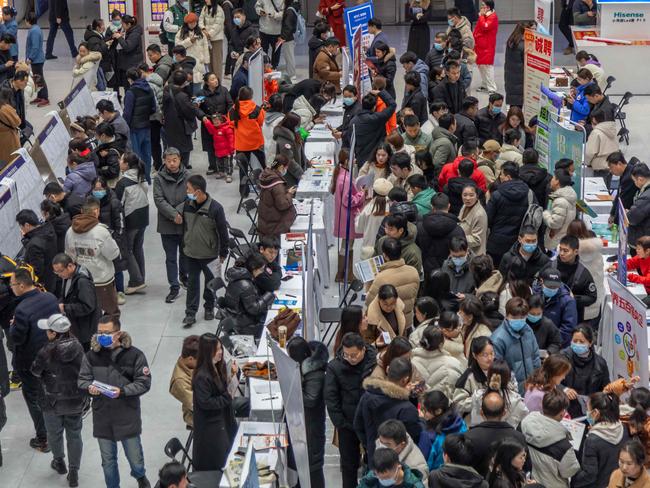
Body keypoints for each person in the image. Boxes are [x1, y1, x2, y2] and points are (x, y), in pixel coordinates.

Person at [78, 315, 151, 488]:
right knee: (108, 460)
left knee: (135, 456)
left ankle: (140, 477)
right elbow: (82, 380)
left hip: (127, 413)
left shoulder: (135, 355)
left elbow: (144, 382)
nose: (102, 336)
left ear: (118, 333)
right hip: (103, 415)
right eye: (99, 332)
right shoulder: (90, 356)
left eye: (107, 332)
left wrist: (123, 391)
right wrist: (89, 388)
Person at [30, 314, 85, 487]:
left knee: (54, 433)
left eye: (48, 330)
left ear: (54, 333)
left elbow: (35, 372)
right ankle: (74, 472)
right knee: (74, 435)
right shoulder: (78, 346)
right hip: (75, 401)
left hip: (51, 402)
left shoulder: (46, 351)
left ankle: (59, 462)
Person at [10, 268, 60, 452]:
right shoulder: (50, 298)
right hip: (51, 355)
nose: (12, 288)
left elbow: (16, 339)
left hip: (30, 362)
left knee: (33, 398)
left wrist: (13, 326)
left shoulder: (22, 310)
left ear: (22, 285)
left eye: (13, 284)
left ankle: (44, 438)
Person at [325, 332, 377, 488]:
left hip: (371, 422)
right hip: (347, 424)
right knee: (349, 465)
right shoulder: (335, 366)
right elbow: (331, 397)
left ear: (363, 350)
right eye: (346, 355)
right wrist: (340, 423)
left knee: (374, 462)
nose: (350, 358)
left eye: (354, 355)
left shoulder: (374, 363)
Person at [354, 356, 422, 469]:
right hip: (399, 462)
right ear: (405, 379)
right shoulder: (407, 408)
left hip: (374, 457)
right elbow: (414, 436)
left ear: (387, 369)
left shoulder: (368, 395)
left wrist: (370, 444)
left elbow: (358, 424)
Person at [181, 175, 229, 327]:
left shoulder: (215, 208)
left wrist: (223, 253)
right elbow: (185, 228)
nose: (186, 191)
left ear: (198, 191)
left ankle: (209, 307)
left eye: (188, 189)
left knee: (210, 283)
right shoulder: (187, 205)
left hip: (209, 254)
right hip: (191, 253)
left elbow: (223, 232)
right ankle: (190, 313)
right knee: (193, 283)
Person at [65, 197, 120, 318]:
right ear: (96, 211)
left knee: (88, 313)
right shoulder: (101, 231)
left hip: (81, 279)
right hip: (102, 279)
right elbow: (113, 254)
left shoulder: (70, 231)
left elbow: (69, 255)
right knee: (110, 314)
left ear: (81, 211)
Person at [190, 333, 237, 471]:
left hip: (223, 417)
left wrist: (233, 375)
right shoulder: (201, 377)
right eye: (217, 350)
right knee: (218, 458)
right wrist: (227, 397)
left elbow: (222, 388)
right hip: (211, 426)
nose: (220, 352)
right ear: (208, 352)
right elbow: (207, 402)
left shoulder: (217, 365)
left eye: (220, 348)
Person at [286, 338, 328, 488]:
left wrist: (289, 388)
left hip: (311, 429)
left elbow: (309, 400)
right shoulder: (307, 369)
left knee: (313, 469)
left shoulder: (315, 374)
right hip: (304, 426)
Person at [520, 388, 580, 488]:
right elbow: (569, 472)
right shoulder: (564, 446)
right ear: (562, 413)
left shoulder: (525, 424)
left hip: (533, 481)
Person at [153, 147, 190, 303]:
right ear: (164, 161)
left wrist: (179, 212)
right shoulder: (159, 178)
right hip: (167, 224)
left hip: (184, 221)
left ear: (180, 160)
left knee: (185, 253)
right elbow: (158, 200)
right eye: (169, 161)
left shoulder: (188, 176)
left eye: (175, 160)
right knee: (170, 257)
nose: (172, 164)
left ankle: (184, 275)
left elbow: (191, 196)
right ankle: (174, 286)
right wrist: (173, 214)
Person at [464, 391, 527, 478]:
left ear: (481, 413)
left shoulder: (468, 437)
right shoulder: (518, 437)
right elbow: (526, 467)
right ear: (504, 413)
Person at [572, 392, 629, 488]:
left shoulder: (592, 440)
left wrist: (571, 481)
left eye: (588, 409)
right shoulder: (623, 428)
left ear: (595, 413)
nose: (587, 412)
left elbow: (589, 474)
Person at [491, 297, 541, 394]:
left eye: (522, 317)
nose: (519, 320)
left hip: (531, 386)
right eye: (514, 317)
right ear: (506, 315)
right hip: (511, 390)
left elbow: (535, 356)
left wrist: (536, 379)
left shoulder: (527, 330)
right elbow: (497, 368)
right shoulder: (498, 339)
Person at [51, 253, 100, 351]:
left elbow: (88, 306)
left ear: (70, 266)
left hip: (87, 329)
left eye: (60, 271)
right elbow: (65, 295)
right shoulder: (67, 277)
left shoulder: (83, 282)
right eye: (56, 272)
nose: (59, 275)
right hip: (77, 325)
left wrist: (65, 308)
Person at [486, 163, 532, 266]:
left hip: (496, 243)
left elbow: (488, 219)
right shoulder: (529, 193)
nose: (500, 177)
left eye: (501, 174)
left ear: (508, 177)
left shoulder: (497, 195)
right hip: (518, 242)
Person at [115, 154, 148, 295]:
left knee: (127, 250)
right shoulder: (141, 176)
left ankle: (136, 281)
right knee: (138, 248)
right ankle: (141, 277)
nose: (119, 162)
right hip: (143, 215)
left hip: (131, 218)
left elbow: (117, 204)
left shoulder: (123, 182)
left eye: (121, 160)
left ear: (127, 165)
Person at [562, 325, 610, 418]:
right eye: (575, 341)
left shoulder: (600, 363)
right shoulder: (563, 358)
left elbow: (605, 388)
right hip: (565, 407)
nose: (578, 344)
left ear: (590, 343)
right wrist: (565, 389)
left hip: (589, 409)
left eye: (582, 342)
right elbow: (551, 380)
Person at [417, 193, 466, 282]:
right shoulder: (457, 230)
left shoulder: (420, 227)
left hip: (427, 270)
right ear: (449, 206)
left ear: (431, 206)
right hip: (450, 272)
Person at [222, 253, 274, 336]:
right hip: (243, 324)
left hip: (237, 316)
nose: (262, 272)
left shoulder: (241, 274)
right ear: (253, 268)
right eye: (261, 270)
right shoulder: (246, 285)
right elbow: (254, 309)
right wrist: (269, 295)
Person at [343, 89, 396, 167]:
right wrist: (380, 93)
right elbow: (392, 105)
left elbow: (350, 140)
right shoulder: (378, 118)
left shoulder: (353, 121)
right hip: (378, 158)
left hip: (361, 159)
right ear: (374, 107)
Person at [229, 85, 265, 196]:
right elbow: (261, 122)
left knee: (243, 169)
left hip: (241, 144)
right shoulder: (257, 109)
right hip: (256, 142)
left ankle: (244, 192)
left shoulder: (233, 110)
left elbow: (231, 124)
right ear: (251, 96)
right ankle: (270, 185)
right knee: (265, 165)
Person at [418, 389, 467, 471]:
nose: (423, 413)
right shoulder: (460, 422)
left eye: (425, 410)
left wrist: (422, 422)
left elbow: (423, 462)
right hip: (457, 469)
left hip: (435, 474)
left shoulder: (431, 435)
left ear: (438, 411)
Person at [123, 69, 156, 183]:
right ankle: (147, 178)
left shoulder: (131, 92)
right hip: (146, 126)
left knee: (136, 156)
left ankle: (139, 179)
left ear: (130, 79)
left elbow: (127, 113)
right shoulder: (149, 88)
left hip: (134, 128)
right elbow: (153, 108)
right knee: (147, 154)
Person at [412, 326, 464, 397]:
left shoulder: (410, 362)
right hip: (442, 405)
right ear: (441, 344)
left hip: (416, 406)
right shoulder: (454, 364)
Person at [557, 235, 597, 323]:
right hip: (553, 317)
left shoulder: (583, 273)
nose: (561, 253)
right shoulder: (551, 267)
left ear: (576, 252)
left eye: (565, 251)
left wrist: (573, 298)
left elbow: (592, 297)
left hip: (575, 319)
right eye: (560, 249)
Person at [15, 209, 58, 292]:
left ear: (27, 225)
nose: (21, 229)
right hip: (53, 275)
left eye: (21, 226)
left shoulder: (33, 244)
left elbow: (37, 271)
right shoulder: (49, 229)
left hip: (45, 285)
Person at [535, 268, 578, 348]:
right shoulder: (534, 294)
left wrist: (553, 343)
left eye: (555, 286)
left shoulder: (568, 301)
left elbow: (568, 328)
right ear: (541, 281)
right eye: (549, 286)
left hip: (558, 345)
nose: (552, 289)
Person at [257, 155, 297, 237]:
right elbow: (283, 205)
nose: (286, 169)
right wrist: (289, 194)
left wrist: (285, 192)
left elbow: (272, 196)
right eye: (286, 167)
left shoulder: (267, 176)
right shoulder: (277, 184)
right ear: (281, 167)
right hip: (274, 225)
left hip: (265, 220)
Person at [356, 178, 392, 259]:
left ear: (373, 192)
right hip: (386, 248)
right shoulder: (391, 208)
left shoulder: (368, 209)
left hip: (368, 248)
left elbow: (359, 228)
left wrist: (358, 216)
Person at [543, 169, 577, 251]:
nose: (551, 180)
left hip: (557, 241)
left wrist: (545, 213)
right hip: (563, 237)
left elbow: (554, 224)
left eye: (553, 178)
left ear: (557, 181)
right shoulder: (568, 195)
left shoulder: (560, 201)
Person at [358, 447, 426, 488]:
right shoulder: (370, 479)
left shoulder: (414, 485)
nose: (382, 480)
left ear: (398, 468)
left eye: (386, 477)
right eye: (378, 476)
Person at [175, 12, 209, 94]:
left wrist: (206, 61)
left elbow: (205, 47)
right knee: (187, 87)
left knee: (198, 88)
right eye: (191, 23)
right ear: (186, 23)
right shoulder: (181, 33)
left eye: (194, 22)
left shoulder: (200, 32)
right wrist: (189, 41)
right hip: (187, 63)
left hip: (199, 63)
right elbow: (177, 46)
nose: (193, 24)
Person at [504, 22, 534, 108]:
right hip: (519, 82)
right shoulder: (522, 46)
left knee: (514, 107)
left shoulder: (511, 42)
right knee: (517, 109)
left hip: (511, 80)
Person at [113, 15, 144, 96]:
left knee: (130, 89)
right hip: (128, 64)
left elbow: (128, 47)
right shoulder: (129, 31)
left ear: (129, 24)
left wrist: (120, 38)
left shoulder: (135, 34)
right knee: (127, 88)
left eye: (123, 24)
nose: (121, 26)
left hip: (132, 65)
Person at [473, 1, 498, 93]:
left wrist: (481, 16)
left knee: (487, 67)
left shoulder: (492, 17)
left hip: (487, 47)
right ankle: (484, 85)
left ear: (488, 7)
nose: (481, 7)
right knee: (481, 66)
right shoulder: (484, 16)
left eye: (483, 6)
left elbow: (485, 27)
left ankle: (492, 88)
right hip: (480, 45)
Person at [585, 110, 618, 177]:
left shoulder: (596, 133)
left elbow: (589, 153)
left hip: (600, 167)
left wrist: (586, 162)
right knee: (606, 187)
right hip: (611, 165)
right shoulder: (612, 129)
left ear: (594, 120)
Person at [25, 12, 48, 106]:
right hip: (37, 59)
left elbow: (35, 47)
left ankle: (45, 98)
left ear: (28, 21)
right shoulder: (35, 28)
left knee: (40, 78)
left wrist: (30, 57)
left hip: (36, 59)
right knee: (37, 78)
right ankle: (40, 96)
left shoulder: (34, 31)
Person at [606, 152, 636, 223]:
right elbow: (619, 194)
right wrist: (612, 214)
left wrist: (615, 222)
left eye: (611, 167)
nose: (611, 171)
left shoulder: (629, 178)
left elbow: (623, 201)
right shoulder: (625, 172)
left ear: (619, 164)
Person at [199, 0, 225, 78]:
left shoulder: (219, 9)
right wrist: (203, 29)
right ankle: (210, 81)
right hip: (206, 39)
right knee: (208, 61)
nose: (206, 0)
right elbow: (200, 20)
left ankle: (218, 83)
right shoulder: (204, 8)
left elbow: (218, 25)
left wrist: (209, 34)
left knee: (216, 63)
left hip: (216, 39)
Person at [628, 163, 650, 251]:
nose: (635, 183)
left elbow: (633, 217)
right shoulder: (645, 191)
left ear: (640, 179)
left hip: (643, 238)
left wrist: (628, 213)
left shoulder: (647, 195)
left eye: (634, 181)